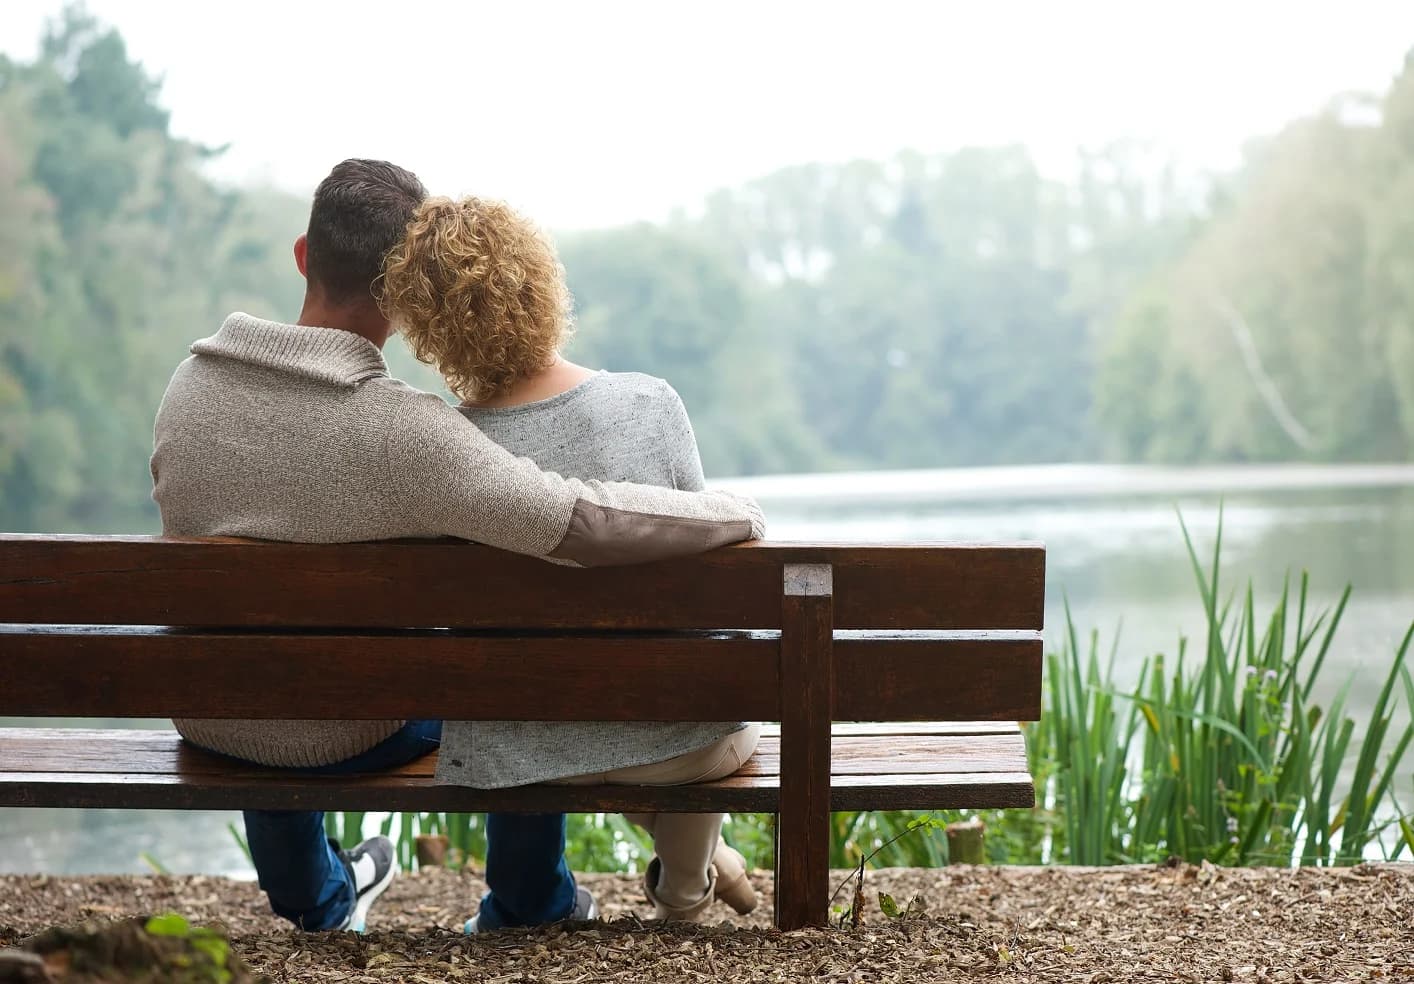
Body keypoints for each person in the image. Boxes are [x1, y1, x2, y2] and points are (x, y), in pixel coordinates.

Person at [149, 159, 766, 934]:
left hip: (208, 712)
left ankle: (321, 899)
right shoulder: (406, 432)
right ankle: (535, 901)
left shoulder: (188, 390)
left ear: (304, 254)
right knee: (506, 672)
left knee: (266, 661)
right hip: (356, 729)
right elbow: (574, 520)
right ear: (407, 296)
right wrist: (727, 513)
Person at [378, 195, 761, 928]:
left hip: (525, 752)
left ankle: (694, 873)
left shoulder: (450, 451)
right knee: (702, 697)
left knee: (591, 708)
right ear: (540, 283)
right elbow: (706, 576)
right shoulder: (650, 404)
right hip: (675, 745)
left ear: (431, 329)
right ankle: (686, 894)